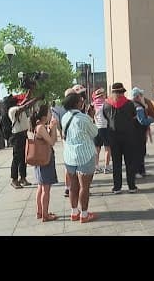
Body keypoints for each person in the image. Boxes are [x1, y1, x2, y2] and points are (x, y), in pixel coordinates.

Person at [62, 92, 98, 223]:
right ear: (77, 103)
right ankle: (84, 214)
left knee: (72, 186)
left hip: (69, 155)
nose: (82, 102)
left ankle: (74, 212)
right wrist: (91, 117)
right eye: (81, 100)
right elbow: (94, 132)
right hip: (85, 155)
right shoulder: (84, 118)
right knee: (84, 187)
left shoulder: (65, 117)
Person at [103, 82, 138, 193]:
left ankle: (117, 187)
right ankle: (131, 186)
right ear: (122, 92)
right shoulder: (129, 104)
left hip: (113, 137)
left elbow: (105, 117)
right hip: (128, 136)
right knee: (129, 162)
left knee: (116, 163)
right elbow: (134, 116)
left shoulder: (106, 104)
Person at [8, 88, 42, 189]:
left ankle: (23, 178)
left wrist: (30, 88)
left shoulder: (18, 107)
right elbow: (26, 105)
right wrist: (36, 99)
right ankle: (14, 180)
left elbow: (26, 100)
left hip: (23, 135)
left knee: (24, 158)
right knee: (16, 158)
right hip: (17, 136)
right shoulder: (13, 110)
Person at [29, 104, 58, 222]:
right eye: (49, 112)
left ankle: (40, 212)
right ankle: (45, 215)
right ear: (44, 115)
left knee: (41, 187)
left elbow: (53, 140)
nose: (51, 114)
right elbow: (51, 142)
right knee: (45, 188)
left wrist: (52, 128)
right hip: (44, 160)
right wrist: (54, 127)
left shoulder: (40, 126)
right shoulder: (40, 127)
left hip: (42, 159)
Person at [132, 87, 154, 177]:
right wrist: (153, 119)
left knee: (140, 152)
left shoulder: (135, 105)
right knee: (139, 153)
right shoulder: (138, 107)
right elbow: (142, 121)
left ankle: (141, 171)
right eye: (140, 95)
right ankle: (137, 171)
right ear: (137, 96)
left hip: (137, 132)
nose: (142, 97)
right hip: (138, 132)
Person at [92, 88, 111, 174]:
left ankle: (96, 167)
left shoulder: (93, 105)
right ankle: (106, 167)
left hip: (96, 128)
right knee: (107, 148)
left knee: (97, 148)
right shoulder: (106, 104)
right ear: (103, 95)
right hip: (105, 128)